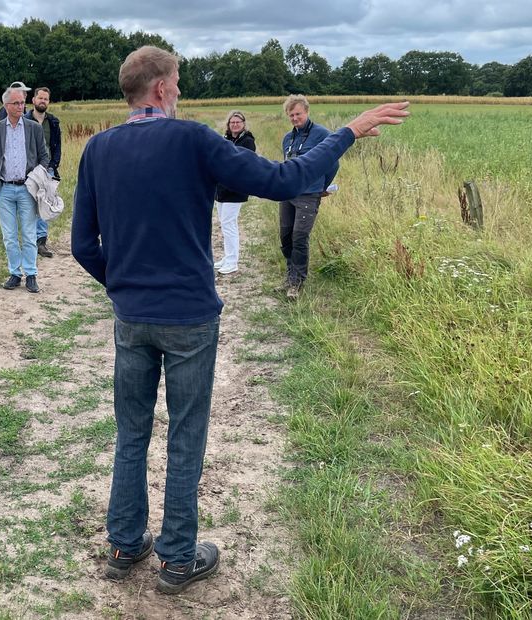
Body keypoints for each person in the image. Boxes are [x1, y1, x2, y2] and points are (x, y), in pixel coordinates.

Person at [71, 45, 408, 594]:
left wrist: (123, 285)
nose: (180, 90)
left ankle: (125, 544)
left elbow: (83, 244)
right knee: (185, 435)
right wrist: (346, 132)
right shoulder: (195, 139)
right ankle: (178, 556)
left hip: (131, 319)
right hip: (189, 319)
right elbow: (283, 179)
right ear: (159, 87)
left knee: (130, 431)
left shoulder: (98, 150)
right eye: (177, 81)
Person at [0, 83, 51, 294]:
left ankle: (31, 274)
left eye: (22, 102)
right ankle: (14, 273)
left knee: (29, 234)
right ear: (6, 105)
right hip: (4, 190)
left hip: (26, 189)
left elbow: (44, 157)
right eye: (16, 103)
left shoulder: (33, 128)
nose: (21, 106)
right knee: (10, 236)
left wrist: (35, 179)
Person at [279, 94, 335, 299]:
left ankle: (297, 282)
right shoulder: (288, 138)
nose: (295, 118)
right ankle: (289, 275)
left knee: (299, 236)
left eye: (298, 114)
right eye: (291, 115)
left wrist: (322, 186)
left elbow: (333, 163)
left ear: (307, 112)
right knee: (286, 237)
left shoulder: (322, 135)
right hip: (288, 192)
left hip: (309, 194)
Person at [213, 110, 256, 275]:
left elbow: (241, 163)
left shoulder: (247, 141)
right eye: (232, 123)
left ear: (243, 124)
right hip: (221, 188)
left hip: (235, 188)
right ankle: (227, 256)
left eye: (238, 122)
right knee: (224, 224)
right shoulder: (226, 139)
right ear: (228, 125)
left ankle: (232, 261)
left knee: (229, 223)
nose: (235, 125)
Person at [24, 86, 62, 258]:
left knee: (44, 204)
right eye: (40, 98)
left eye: (46, 99)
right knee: (28, 204)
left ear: (48, 102)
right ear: (33, 100)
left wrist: (53, 165)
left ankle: (41, 242)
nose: (42, 101)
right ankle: (29, 240)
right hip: (29, 168)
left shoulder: (53, 122)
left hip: (47, 169)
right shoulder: (24, 120)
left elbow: (57, 146)